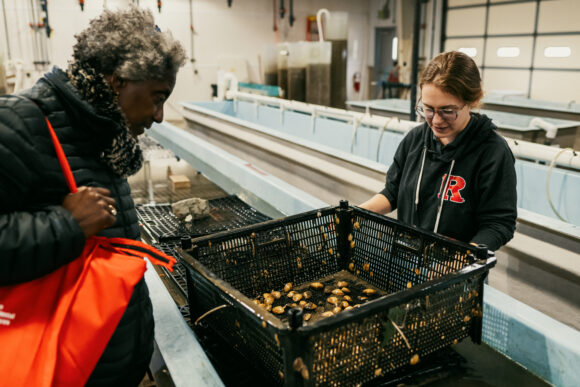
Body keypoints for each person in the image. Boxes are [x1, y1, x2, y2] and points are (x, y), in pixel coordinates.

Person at [0, 6, 186, 386]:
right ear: (118, 81)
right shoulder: (20, 122)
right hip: (61, 367)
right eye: (157, 96)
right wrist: (65, 224)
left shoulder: (104, 136)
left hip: (110, 363)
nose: (160, 115)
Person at [360, 51, 517, 251]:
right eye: (428, 109)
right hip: (405, 263)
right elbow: (393, 192)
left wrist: (461, 261)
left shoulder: (492, 153)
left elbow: (498, 223)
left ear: (472, 101)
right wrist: (357, 213)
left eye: (447, 111)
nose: (435, 120)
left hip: (458, 275)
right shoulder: (415, 140)